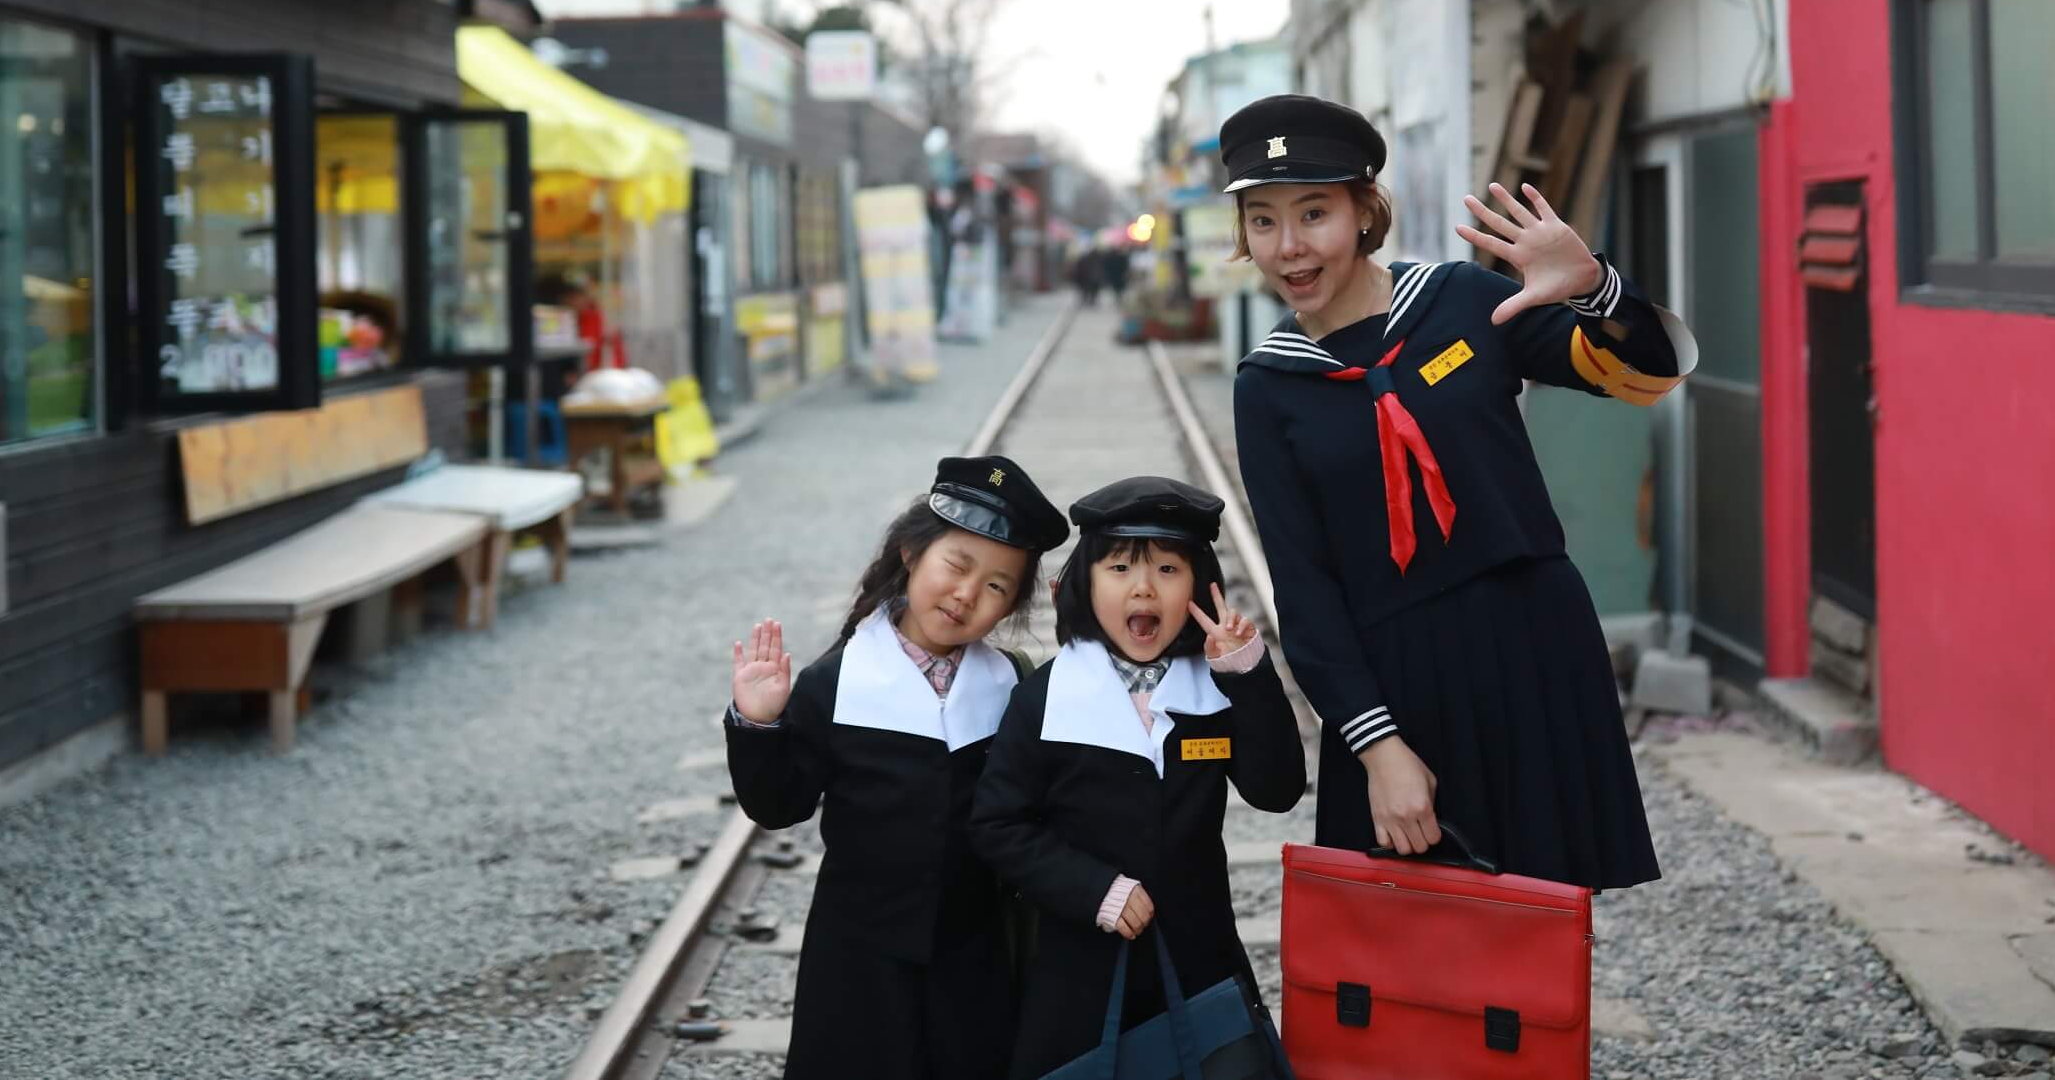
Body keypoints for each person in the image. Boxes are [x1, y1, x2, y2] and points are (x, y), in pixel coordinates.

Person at [1224, 94, 1695, 891]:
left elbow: (1649, 376)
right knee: (1412, 957)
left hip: (1534, 649)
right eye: (1263, 221)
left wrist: (1596, 288)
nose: (1290, 246)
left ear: (1365, 212)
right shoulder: (1269, 386)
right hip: (1394, 686)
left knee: (1543, 925)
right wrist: (1378, 747)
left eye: (1314, 213)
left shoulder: (1466, 303)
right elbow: (1303, 588)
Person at [722, 455, 1070, 1080]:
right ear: (912, 553)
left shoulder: (1013, 687)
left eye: (996, 586)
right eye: (956, 566)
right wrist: (759, 724)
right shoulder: (835, 681)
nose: (967, 595)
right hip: (857, 956)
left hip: (974, 955)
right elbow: (779, 806)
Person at [970, 477, 1305, 1078]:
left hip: (1203, 962)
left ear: (1201, 589)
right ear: (1084, 584)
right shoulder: (1043, 698)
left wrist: (1248, 674)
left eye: (1169, 571)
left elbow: (1277, 790)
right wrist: (1096, 889)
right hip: (1081, 971)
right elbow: (998, 825)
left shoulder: (1218, 688)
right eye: (1119, 567)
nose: (1143, 587)